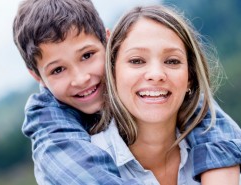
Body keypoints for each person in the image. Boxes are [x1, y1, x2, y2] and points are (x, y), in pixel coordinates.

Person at [13, 0, 241, 184]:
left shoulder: (187, 107)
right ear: (38, 78)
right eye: (58, 70)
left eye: (87, 56)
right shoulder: (52, 128)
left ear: (109, 44)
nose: (81, 78)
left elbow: (209, 120)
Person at [91, 5, 241, 185]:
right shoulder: (88, 159)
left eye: (172, 61)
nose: (156, 74)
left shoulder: (227, 161)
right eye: (137, 61)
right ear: (113, 72)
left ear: (190, 78)